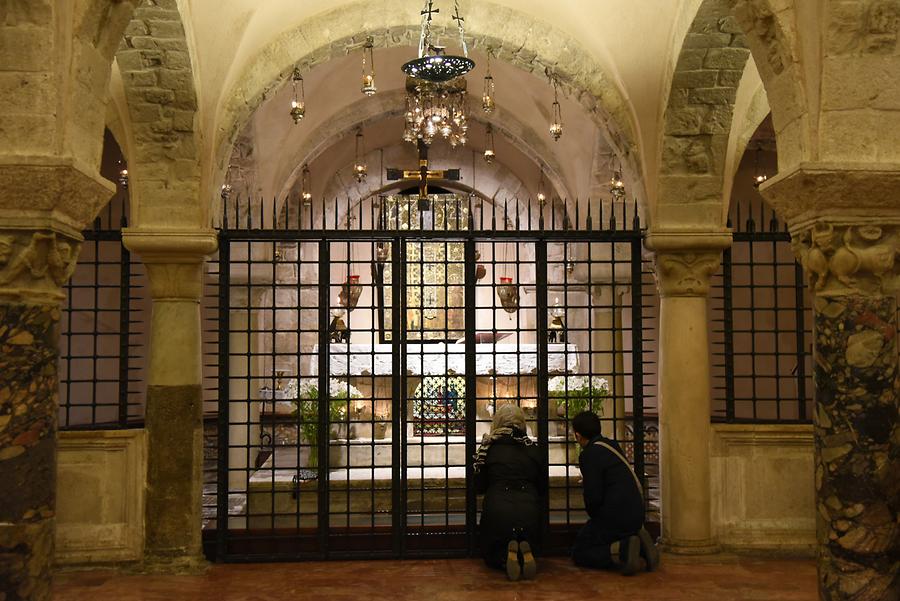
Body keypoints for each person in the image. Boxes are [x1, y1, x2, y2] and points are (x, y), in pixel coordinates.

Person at [570, 411, 660, 575]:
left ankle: (623, 551)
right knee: (604, 533)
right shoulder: (612, 445)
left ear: (577, 435)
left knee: (580, 551)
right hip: (637, 512)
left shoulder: (588, 455)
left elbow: (593, 499)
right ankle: (639, 543)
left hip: (615, 517)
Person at [473, 403, 544, 581]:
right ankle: (525, 547)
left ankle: (504, 557)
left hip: (498, 508)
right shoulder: (532, 449)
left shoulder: (487, 448)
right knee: (528, 527)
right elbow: (542, 486)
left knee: (492, 550)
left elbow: (478, 485)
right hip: (529, 509)